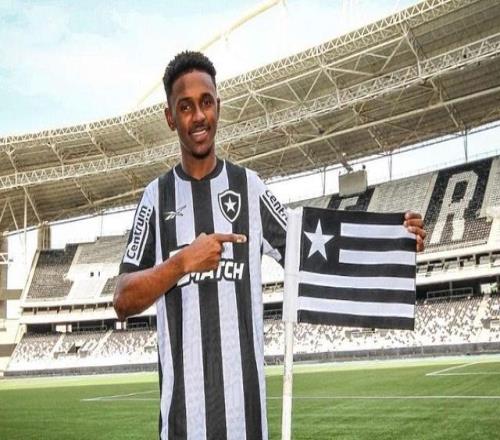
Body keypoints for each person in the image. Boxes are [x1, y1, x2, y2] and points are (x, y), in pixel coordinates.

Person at [113, 51, 426, 440]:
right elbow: (123, 300)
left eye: (206, 102)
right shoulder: (155, 198)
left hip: (247, 424)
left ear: (218, 107)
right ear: (170, 117)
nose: (199, 116)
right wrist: (182, 262)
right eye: (186, 106)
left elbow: (310, 248)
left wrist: (394, 239)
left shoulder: (250, 187)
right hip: (182, 427)